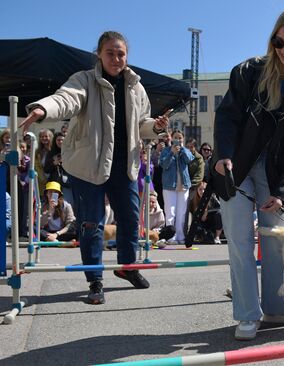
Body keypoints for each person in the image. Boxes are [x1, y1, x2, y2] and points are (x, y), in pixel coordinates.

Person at [20, 31, 169, 305]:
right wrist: (43, 109)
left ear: (127, 56)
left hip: (124, 165)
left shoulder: (136, 87)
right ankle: (94, 279)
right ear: (99, 54)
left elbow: (143, 124)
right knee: (92, 223)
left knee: (129, 218)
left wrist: (155, 127)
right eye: (110, 52)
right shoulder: (85, 80)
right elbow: (66, 98)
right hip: (88, 165)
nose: (116, 58)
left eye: (121, 53)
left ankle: (127, 266)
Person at [212, 9, 284, 340]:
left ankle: (278, 308)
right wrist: (224, 157)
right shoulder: (247, 72)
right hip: (236, 166)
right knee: (240, 240)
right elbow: (228, 117)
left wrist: (283, 192)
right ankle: (247, 314)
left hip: (273, 174)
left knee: (277, 238)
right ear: (272, 39)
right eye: (279, 42)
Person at [160, 130, 194, 244]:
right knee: (170, 212)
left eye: (180, 138)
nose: (178, 140)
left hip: (183, 186)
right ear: (172, 138)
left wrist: (182, 149)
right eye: (176, 137)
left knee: (182, 213)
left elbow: (189, 159)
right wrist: (172, 153)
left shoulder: (185, 151)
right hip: (169, 186)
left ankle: (180, 236)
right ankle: (170, 237)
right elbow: (164, 165)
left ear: (183, 139)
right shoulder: (166, 151)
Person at [44, 132, 73, 204]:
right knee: (55, 204)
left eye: (62, 140)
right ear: (55, 141)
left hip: (67, 184)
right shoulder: (51, 153)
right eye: (58, 140)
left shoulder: (70, 152)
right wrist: (54, 163)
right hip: (55, 184)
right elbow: (46, 169)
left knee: (68, 205)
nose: (60, 142)